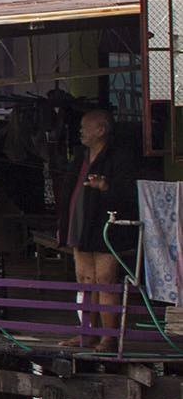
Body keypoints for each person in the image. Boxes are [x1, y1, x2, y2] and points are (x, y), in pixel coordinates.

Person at [60, 108, 142, 345]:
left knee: (104, 280)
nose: (81, 131)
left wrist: (106, 187)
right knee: (84, 279)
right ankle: (87, 332)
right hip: (80, 224)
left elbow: (129, 193)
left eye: (86, 126)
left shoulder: (119, 156)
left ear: (101, 130)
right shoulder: (81, 155)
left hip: (106, 226)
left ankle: (108, 338)